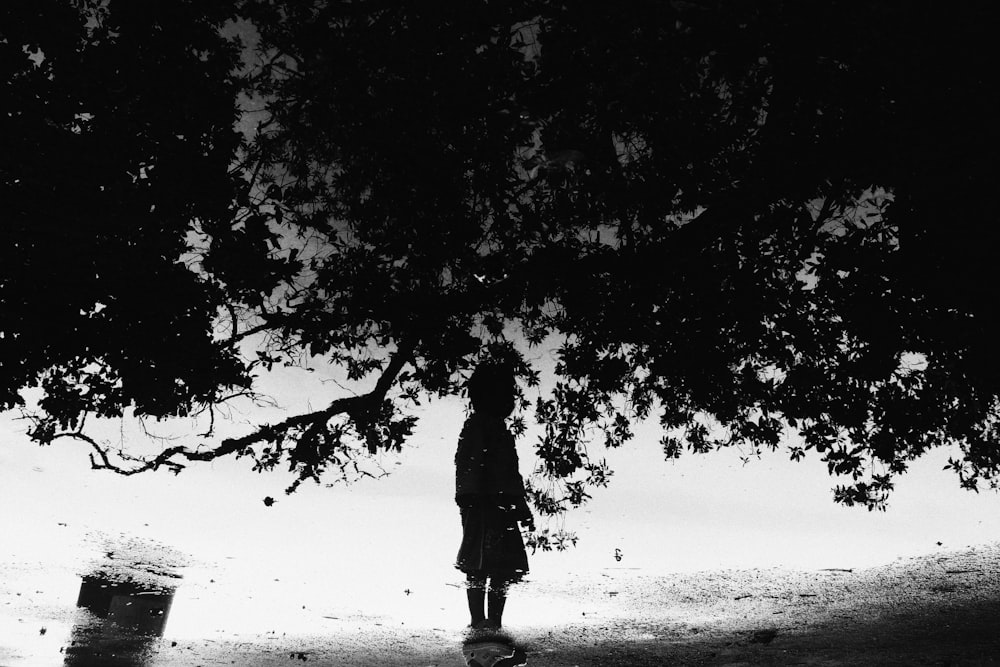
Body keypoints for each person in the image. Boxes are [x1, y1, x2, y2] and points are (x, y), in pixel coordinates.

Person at [455, 362, 534, 631]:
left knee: (501, 566)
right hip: (486, 504)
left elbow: (509, 471)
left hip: (497, 504)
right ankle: (479, 621)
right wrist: (473, 500)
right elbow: (475, 467)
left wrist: (519, 504)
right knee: (481, 565)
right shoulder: (480, 427)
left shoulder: (492, 428)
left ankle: (492, 622)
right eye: (507, 394)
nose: (511, 400)